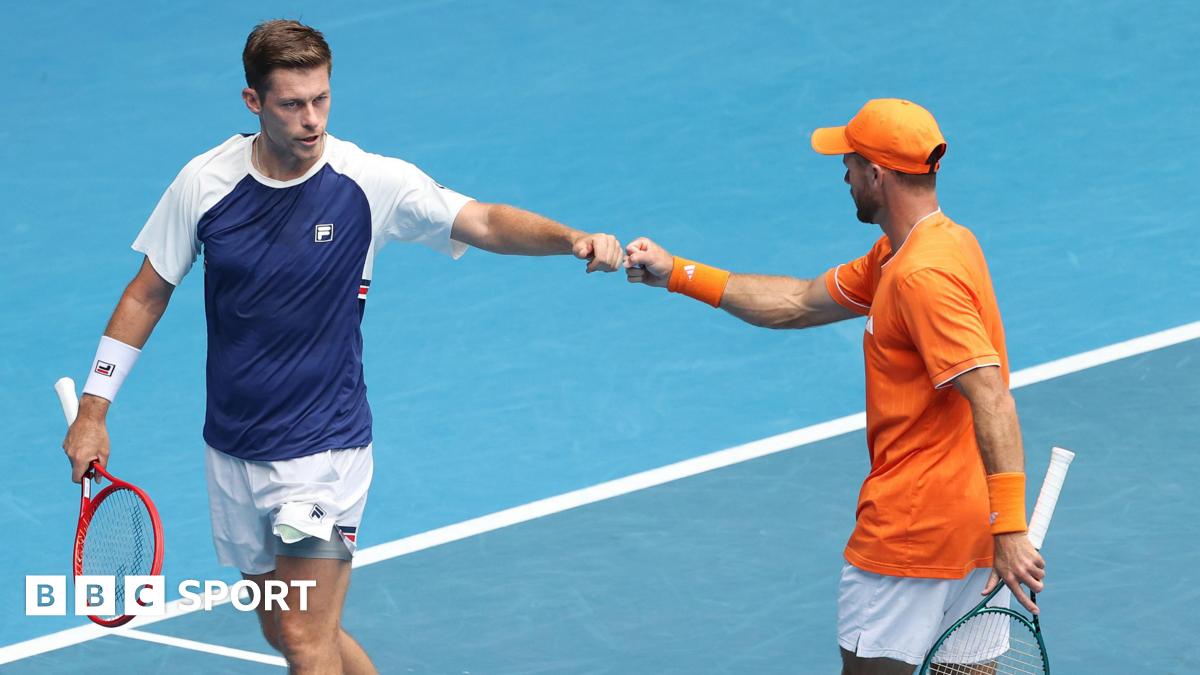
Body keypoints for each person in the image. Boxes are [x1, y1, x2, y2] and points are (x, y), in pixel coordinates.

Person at [61, 19, 624, 674]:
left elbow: (484, 219)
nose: (311, 119)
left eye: (321, 99)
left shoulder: (366, 181)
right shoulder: (205, 183)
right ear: (253, 102)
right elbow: (146, 293)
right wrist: (94, 410)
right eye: (292, 104)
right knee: (289, 629)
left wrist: (571, 238)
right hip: (234, 449)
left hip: (324, 453)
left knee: (304, 639)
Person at [624, 99, 1045, 674]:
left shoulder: (921, 276)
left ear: (877, 173)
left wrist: (1014, 527)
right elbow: (797, 303)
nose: (842, 174)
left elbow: (990, 393)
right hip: (969, 528)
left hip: (912, 535)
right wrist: (677, 272)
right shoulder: (923, 248)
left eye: (849, 162)